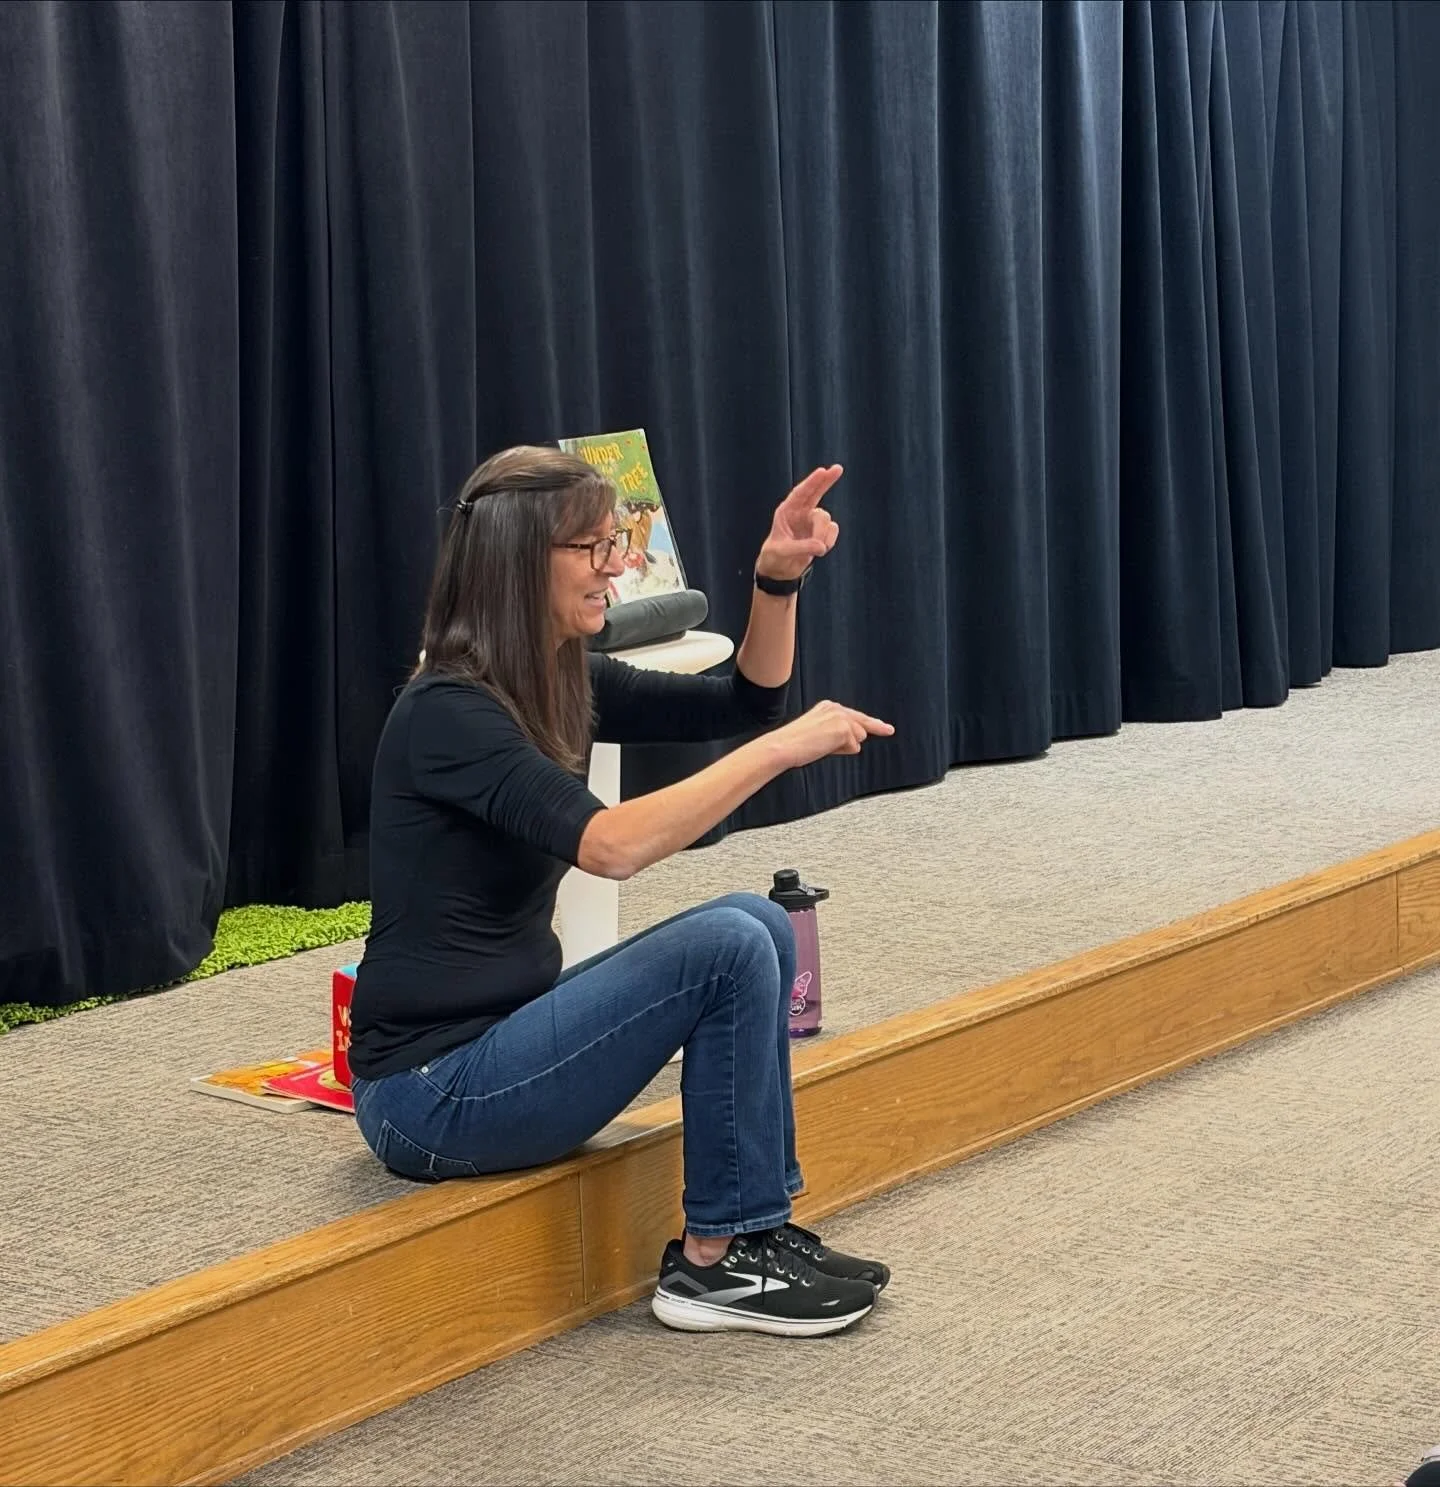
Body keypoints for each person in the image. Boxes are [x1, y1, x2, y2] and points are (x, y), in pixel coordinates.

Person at [348, 445, 895, 1338]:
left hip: (503, 1040)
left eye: (617, 544)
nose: (618, 567)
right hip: (428, 1095)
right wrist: (787, 750)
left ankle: (751, 1228)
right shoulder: (446, 712)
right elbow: (613, 846)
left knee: (753, 920)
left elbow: (746, 701)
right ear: (521, 562)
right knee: (723, 946)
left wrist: (775, 580)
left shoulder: (560, 678)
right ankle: (717, 1267)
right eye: (595, 548)